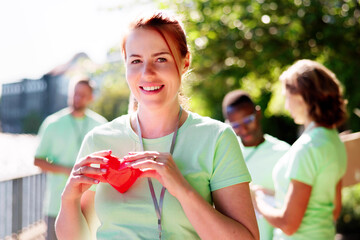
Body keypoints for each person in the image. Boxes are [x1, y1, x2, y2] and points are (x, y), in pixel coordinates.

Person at [55, 10, 259, 240]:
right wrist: (68, 198)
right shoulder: (99, 140)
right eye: (136, 61)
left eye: (161, 59)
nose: (147, 73)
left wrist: (183, 190)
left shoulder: (217, 138)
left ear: (185, 62)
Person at [252, 59, 348, 239]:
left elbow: (288, 224)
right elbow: (332, 209)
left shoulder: (307, 147)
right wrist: (274, 194)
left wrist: (256, 202)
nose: (287, 106)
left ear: (304, 97)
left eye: (287, 97)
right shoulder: (335, 141)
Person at [34, 77, 107, 240]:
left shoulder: (101, 125)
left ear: (91, 98)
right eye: (75, 93)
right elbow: (37, 160)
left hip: (91, 206)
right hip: (56, 206)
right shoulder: (52, 123)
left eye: (82, 94)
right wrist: (69, 170)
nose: (77, 97)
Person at [222, 90, 290, 240]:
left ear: (258, 114)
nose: (244, 129)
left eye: (248, 120)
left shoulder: (284, 154)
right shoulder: (224, 156)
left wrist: (267, 195)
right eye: (235, 125)